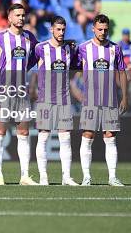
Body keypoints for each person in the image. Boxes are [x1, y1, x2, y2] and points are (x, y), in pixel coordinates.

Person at [0, 3, 39, 185]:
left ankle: (24, 176)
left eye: (23, 15)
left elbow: (37, 55)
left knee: (23, 132)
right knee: (0, 132)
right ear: (9, 18)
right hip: (4, 91)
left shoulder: (29, 38)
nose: (21, 18)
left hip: (21, 91)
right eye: (18, 15)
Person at [77, 14, 128, 186]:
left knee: (110, 136)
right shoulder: (83, 48)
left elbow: (122, 73)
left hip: (110, 99)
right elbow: (72, 67)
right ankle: (86, 177)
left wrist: (125, 97)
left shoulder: (116, 49)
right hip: (90, 100)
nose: (103, 32)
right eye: (100, 29)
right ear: (93, 29)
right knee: (88, 135)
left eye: (106, 29)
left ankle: (112, 177)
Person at [33, 16, 80, 186]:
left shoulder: (70, 49)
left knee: (65, 138)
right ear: (51, 29)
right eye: (58, 29)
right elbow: (29, 66)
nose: (61, 33)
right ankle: (43, 177)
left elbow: (76, 66)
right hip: (45, 99)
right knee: (43, 137)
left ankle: (66, 177)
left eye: (63, 30)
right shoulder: (40, 48)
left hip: (64, 99)